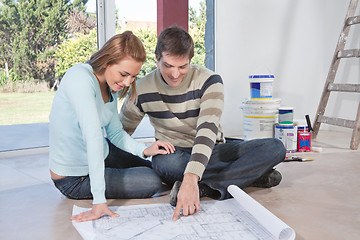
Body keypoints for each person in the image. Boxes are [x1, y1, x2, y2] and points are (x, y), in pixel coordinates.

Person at [119, 26, 286, 221]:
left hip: (211, 147)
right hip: (173, 154)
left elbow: (207, 130)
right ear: (157, 60)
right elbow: (120, 131)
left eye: (182, 66)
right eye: (168, 66)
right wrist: (142, 150)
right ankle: (250, 176)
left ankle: (205, 187)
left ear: (190, 60)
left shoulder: (209, 81)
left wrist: (190, 178)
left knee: (275, 147)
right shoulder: (140, 88)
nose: (175, 74)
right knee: (165, 164)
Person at [49, 31, 175, 223]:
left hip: (104, 152)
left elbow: (115, 132)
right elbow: (92, 137)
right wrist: (99, 201)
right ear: (107, 61)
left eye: (133, 77)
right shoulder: (80, 79)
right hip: (75, 177)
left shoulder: (111, 85)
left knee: (158, 166)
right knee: (151, 181)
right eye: (124, 74)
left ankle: (194, 183)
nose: (127, 83)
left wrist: (144, 149)